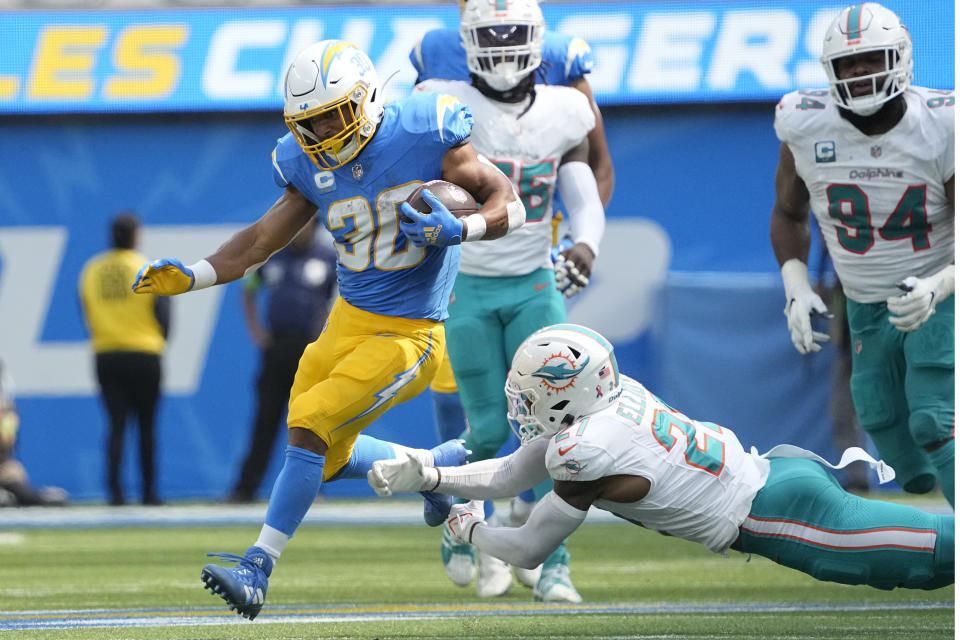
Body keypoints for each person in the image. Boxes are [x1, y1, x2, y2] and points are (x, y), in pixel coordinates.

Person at [130, 40, 523, 620]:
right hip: (344, 323)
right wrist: (193, 276)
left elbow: (509, 205)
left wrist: (461, 230)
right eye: (308, 124)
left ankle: (256, 568)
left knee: (312, 425)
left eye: (331, 116)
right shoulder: (304, 162)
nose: (321, 134)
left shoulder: (424, 130)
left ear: (364, 100)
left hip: (408, 333)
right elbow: (259, 242)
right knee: (321, 454)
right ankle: (435, 474)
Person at [368, 323, 955, 593]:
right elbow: (509, 472)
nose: (523, 404)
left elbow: (528, 547)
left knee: (932, 557)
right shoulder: (612, 400)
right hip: (778, 476)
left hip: (775, 514)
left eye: (533, 394)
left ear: (568, 393)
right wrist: (431, 473)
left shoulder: (583, 450)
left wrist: (466, 527)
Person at [411, 0, 606, 602]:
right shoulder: (440, 100)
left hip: (532, 282)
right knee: (489, 428)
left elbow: (581, 181)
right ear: (466, 43)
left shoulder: (566, 108)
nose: (500, 49)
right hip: (466, 283)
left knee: (560, 434)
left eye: (511, 37)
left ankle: (554, 563)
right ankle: (459, 518)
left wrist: (585, 247)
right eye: (487, 38)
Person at [769, 3, 954, 506]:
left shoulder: (942, 123)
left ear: (900, 59)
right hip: (864, 299)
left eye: (870, 59)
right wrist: (797, 286)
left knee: (933, 415)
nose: (858, 72)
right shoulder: (804, 123)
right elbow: (788, 214)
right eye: (847, 64)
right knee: (874, 411)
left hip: (936, 291)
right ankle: (918, 474)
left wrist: (942, 284)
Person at [227, 217, 338, 504]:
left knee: (310, 422)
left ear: (314, 226)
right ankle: (244, 489)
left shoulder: (328, 257)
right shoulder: (273, 258)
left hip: (309, 351)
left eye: (304, 225)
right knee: (265, 420)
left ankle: (312, 491)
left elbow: (338, 300)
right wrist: (256, 332)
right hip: (275, 347)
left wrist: (323, 337)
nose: (298, 229)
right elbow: (248, 289)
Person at [79, 212, 170, 506]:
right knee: (147, 426)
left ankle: (115, 494)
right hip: (145, 353)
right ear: (135, 236)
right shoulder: (146, 269)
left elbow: (86, 312)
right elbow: (164, 317)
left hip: (107, 354)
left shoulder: (92, 270)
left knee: (116, 424)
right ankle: (149, 493)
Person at [0, 360, 68, 507]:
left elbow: (7, 443)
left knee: (14, 476)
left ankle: (25, 496)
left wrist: (8, 421)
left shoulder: (7, 412)